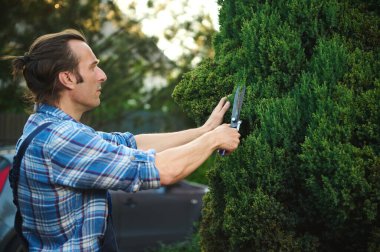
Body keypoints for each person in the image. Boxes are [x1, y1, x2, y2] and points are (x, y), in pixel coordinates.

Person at [7, 29, 240, 251]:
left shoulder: (46, 127)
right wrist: (213, 140)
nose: (102, 76)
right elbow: (163, 170)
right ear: (67, 78)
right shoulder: (61, 139)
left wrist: (202, 131)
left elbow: (130, 144)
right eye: (93, 67)